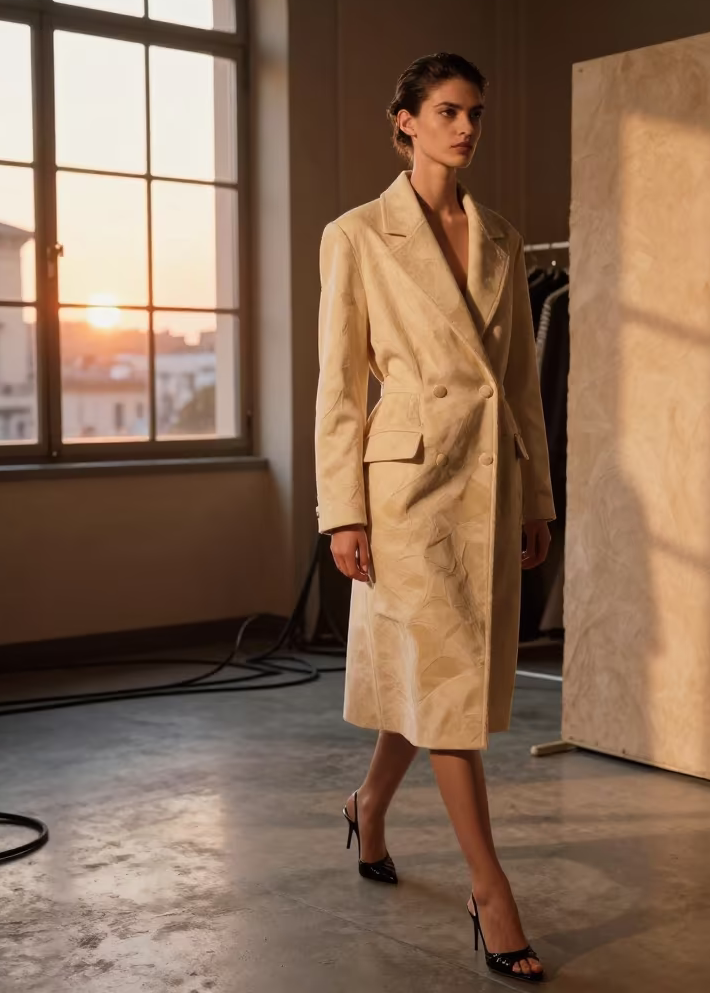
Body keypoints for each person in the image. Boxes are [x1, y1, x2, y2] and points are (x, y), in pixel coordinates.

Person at [314, 52, 556, 983]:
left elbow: (524, 387)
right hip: (406, 488)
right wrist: (344, 512)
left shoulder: (504, 238)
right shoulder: (357, 236)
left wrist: (537, 497)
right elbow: (340, 386)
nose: (466, 129)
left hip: (490, 481)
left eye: (476, 114)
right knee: (448, 678)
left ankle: (368, 804)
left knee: (436, 672)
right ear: (405, 121)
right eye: (448, 112)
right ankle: (490, 889)